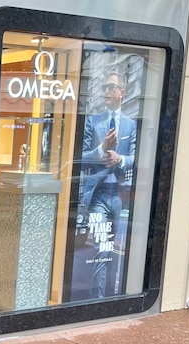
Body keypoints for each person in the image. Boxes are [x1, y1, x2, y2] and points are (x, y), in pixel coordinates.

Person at [80, 70, 136, 299]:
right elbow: (82, 157)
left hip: (119, 195)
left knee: (111, 249)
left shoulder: (131, 125)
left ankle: (111, 296)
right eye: (104, 87)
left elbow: (136, 157)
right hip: (98, 194)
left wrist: (120, 159)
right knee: (101, 246)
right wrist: (102, 150)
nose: (106, 91)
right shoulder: (93, 121)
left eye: (111, 87)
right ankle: (98, 300)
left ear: (122, 92)